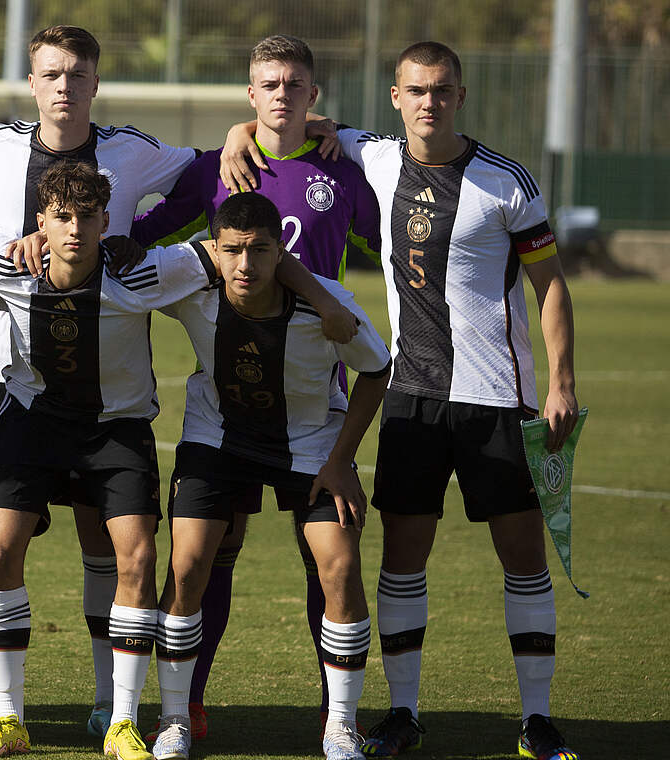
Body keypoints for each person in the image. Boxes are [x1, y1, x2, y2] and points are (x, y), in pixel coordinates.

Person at [0, 161, 353, 760]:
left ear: (106, 222)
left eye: (88, 218)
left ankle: (124, 721)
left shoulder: (145, 272)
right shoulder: (5, 259)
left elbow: (246, 250)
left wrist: (317, 298)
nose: (75, 230)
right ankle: (9, 717)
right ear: (40, 220)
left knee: (140, 556)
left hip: (116, 431)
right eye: (62, 218)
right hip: (33, 423)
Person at [222, 40, 580, 760]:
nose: (429, 102)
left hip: (497, 400)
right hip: (411, 399)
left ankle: (536, 720)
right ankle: (404, 713)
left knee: (522, 556)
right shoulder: (375, 157)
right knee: (402, 559)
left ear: (460, 96)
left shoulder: (507, 181)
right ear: (396, 97)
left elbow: (551, 285)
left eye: (442, 91)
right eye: (416, 91)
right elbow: (294, 125)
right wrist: (237, 132)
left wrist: (562, 379)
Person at [0, 25, 201, 737]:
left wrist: (144, 236)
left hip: (106, 381)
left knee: (108, 544)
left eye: (77, 74)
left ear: (95, 82)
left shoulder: (132, 150)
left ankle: (108, 706)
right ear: (32, 82)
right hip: (7, 373)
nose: (64, 85)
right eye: (51, 73)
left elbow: (207, 178)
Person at [130, 34, 380, 739]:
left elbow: (390, 244)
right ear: (249, 93)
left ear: (313, 96)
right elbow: (151, 229)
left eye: (293, 84)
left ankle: (338, 723)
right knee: (206, 558)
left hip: (310, 395)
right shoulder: (218, 166)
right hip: (226, 406)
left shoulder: (343, 167)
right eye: (267, 84)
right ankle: (188, 706)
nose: (280, 94)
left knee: (325, 562)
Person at [152, 191, 391, 760]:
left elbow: (378, 370)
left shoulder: (327, 305)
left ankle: (340, 726)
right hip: (217, 438)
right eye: (231, 250)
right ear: (214, 249)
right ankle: (172, 721)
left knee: (340, 564)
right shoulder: (193, 287)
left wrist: (341, 459)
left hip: (310, 444)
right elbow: (127, 273)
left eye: (260, 251)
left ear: (281, 251)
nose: (244, 265)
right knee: (187, 565)